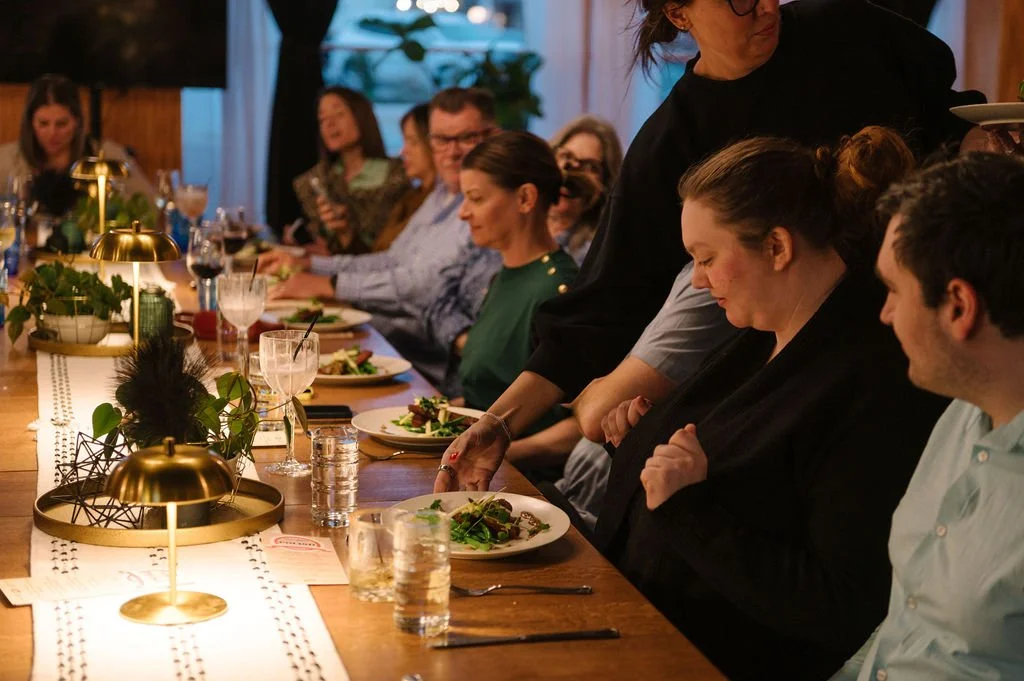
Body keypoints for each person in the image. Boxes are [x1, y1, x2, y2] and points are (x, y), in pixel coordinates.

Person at [434, 0, 984, 494]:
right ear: (679, 13)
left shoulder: (848, 30)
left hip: (925, 304)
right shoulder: (672, 142)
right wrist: (500, 424)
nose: (766, 9)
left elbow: (941, 106)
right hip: (798, 357)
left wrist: (975, 135)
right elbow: (602, 304)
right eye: (740, 2)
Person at [597, 127, 946, 680]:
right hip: (632, 626)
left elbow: (841, 605)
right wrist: (636, 439)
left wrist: (687, 508)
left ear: (778, 247)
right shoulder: (758, 335)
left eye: (707, 258)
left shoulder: (870, 380)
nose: (698, 279)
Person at [832, 153, 1024, 681]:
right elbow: (907, 624)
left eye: (894, 289)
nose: (885, 314)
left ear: (959, 306)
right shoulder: (963, 410)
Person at [259, 87, 498, 386]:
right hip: (395, 348)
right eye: (441, 140)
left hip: (432, 371)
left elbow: (424, 286)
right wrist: (312, 265)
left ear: (491, 135)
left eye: (465, 138)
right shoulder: (440, 195)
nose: (452, 152)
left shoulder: (484, 208)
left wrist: (330, 284)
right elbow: (391, 259)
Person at [443, 131, 577, 432]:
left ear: (524, 198)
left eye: (476, 198)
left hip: (518, 472)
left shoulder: (557, 289)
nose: (463, 213)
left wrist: (500, 455)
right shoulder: (503, 276)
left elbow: (577, 428)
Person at [0, 74, 155, 215]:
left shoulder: (107, 155)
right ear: (30, 123)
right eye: (43, 123)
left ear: (77, 122)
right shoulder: (7, 160)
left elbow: (151, 207)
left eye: (61, 124)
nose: (52, 133)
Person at [292, 86, 408, 254]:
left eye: (339, 114)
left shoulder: (397, 175)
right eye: (322, 119)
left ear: (361, 117)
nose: (330, 124)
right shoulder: (317, 180)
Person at [548, 115, 624, 265]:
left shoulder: (595, 256)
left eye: (590, 166)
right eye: (566, 156)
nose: (571, 173)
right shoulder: (512, 227)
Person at [371, 103, 436, 251]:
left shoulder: (442, 204)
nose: (403, 152)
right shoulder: (410, 198)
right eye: (405, 142)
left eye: (413, 142)